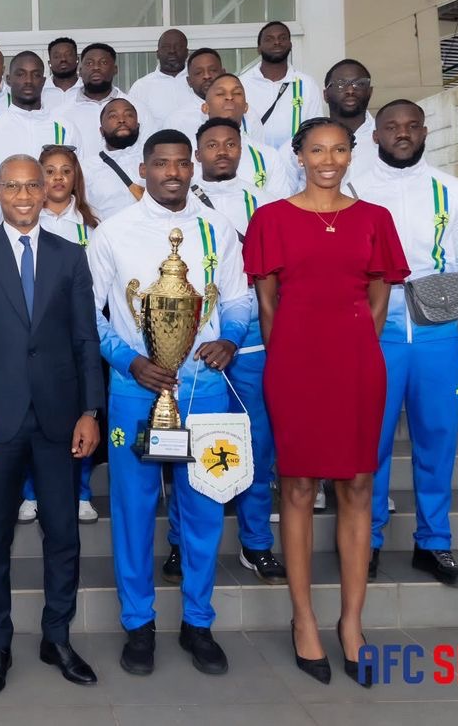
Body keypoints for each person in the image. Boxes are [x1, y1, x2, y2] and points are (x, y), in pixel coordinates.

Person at [244, 117, 410, 687]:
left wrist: (355, 345)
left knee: (358, 485)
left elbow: (379, 298)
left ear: (351, 154)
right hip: (293, 365)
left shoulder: (374, 219)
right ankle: (304, 619)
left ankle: (352, 623)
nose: (328, 159)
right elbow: (268, 307)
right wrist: (287, 356)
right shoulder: (270, 220)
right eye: (317, 149)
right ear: (299, 155)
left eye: (339, 149)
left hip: (357, 365)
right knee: (296, 486)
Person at [87, 129, 249, 677]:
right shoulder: (113, 233)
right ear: (144, 169)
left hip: (204, 389)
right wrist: (126, 359)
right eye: (162, 164)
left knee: (204, 507)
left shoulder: (217, 229)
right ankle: (139, 624)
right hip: (137, 388)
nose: (174, 173)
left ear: (193, 169)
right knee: (133, 511)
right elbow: (89, 314)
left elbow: (240, 299)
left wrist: (229, 338)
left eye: (182, 163)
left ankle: (198, 621)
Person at [0, 154, 104, 694]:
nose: (22, 194)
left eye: (31, 185)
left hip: (60, 420)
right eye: (11, 186)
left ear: (46, 191)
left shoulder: (71, 256)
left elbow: (87, 339)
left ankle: (56, 636)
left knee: (62, 534)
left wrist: (90, 410)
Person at [355, 100, 458, 589]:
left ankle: (433, 543)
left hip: (436, 332)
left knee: (437, 438)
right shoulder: (355, 190)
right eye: (391, 127)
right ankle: (366, 539)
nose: (402, 134)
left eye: (411, 127)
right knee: (373, 440)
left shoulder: (454, 191)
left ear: (425, 132)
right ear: (375, 135)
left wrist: (427, 300)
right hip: (375, 334)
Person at [177, 117, 285, 585]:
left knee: (255, 447)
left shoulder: (265, 204)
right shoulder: (176, 206)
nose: (222, 152)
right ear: (197, 154)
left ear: (243, 150)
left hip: (250, 346)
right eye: (211, 145)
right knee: (186, 451)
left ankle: (255, 542)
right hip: (194, 352)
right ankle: (182, 545)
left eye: (230, 144)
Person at [18, 144, 102, 526]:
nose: (57, 178)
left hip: (75, 336)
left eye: (65, 171)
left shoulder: (91, 227)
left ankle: (81, 491)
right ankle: (29, 492)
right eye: (48, 171)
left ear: (75, 178)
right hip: (29, 336)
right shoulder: (24, 221)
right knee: (28, 416)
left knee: (75, 415)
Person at [0, 51, 79, 178]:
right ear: (8, 79)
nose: (28, 81)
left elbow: (77, 180)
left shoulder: (66, 128)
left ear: (43, 81)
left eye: (36, 75)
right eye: (20, 74)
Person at [281, 59, 378, 191]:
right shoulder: (303, 141)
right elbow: (284, 197)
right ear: (325, 95)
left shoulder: (385, 140)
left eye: (359, 84)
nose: (350, 90)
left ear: (370, 92)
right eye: (340, 84)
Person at [199, 75, 295, 198]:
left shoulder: (269, 156)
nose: (229, 97)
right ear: (205, 107)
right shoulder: (189, 154)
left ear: (246, 107)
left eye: (237, 93)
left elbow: (279, 207)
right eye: (220, 93)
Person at [240, 21, 325, 150]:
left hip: (296, 165)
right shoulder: (242, 84)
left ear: (290, 45)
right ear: (259, 48)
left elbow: (316, 130)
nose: (277, 42)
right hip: (254, 162)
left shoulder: (306, 84)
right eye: (269, 39)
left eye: (282, 38)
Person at [57, 43, 152, 157]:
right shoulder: (62, 113)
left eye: (103, 62)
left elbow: (151, 150)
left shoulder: (137, 108)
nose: (96, 67)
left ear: (115, 69)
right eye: (89, 63)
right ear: (80, 71)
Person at [80, 98, 146, 221]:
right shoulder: (86, 169)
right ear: (101, 130)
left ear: (138, 126)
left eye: (128, 115)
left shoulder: (154, 161)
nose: (122, 120)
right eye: (113, 116)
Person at [129, 29, 193, 124]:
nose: (172, 51)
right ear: (157, 53)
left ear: (187, 52)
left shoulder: (198, 81)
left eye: (178, 46)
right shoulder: (141, 86)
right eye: (166, 47)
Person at [41, 36, 80, 109]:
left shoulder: (87, 88)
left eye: (68, 55)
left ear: (77, 60)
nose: (63, 59)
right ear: (50, 63)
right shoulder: (40, 90)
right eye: (57, 56)